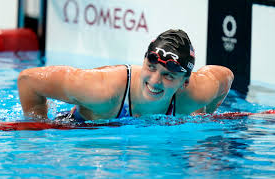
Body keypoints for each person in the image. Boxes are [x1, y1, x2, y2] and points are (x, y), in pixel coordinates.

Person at [17, 29, 234, 122]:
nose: (155, 81)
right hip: (80, 128)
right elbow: (28, 80)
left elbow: (226, 77)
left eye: (168, 76)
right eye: (151, 67)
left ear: (184, 82)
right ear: (144, 60)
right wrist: (37, 129)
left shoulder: (196, 93)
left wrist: (203, 114)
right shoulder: (102, 90)